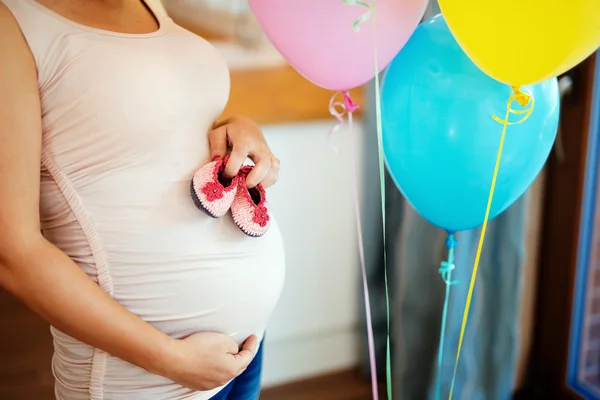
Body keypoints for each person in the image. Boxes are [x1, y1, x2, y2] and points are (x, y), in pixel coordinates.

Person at [0, 0, 286, 399]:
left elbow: (151, 130)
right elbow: (14, 253)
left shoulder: (149, 3)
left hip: (241, 352)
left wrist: (239, 126)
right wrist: (170, 359)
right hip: (145, 377)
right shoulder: (12, 25)